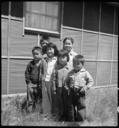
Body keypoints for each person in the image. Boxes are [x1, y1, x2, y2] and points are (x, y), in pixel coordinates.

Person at [64, 54, 94, 122]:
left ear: (82, 64)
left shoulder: (85, 73)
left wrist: (86, 87)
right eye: (74, 63)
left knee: (81, 107)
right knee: (71, 107)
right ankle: (72, 120)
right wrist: (67, 88)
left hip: (80, 92)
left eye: (78, 64)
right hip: (71, 92)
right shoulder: (70, 73)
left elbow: (91, 81)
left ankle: (81, 121)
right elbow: (66, 82)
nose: (75, 65)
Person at [42, 42, 59, 120]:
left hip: (54, 81)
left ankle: (55, 114)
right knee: (46, 99)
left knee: (54, 98)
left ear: (54, 50)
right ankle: (46, 114)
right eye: (48, 49)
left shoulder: (57, 59)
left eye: (51, 49)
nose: (49, 51)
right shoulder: (44, 59)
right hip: (46, 81)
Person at [52, 49, 70, 121]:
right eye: (60, 57)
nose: (62, 59)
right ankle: (61, 115)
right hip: (59, 88)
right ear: (58, 59)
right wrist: (54, 87)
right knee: (60, 102)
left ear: (67, 58)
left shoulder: (69, 69)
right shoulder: (56, 69)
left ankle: (67, 115)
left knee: (67, 101)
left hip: (67, 89)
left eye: (64, 57)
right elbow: (53, 79)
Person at [25, 46, 43, 112]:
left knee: (39, 98)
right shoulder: (30, 64)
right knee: (30, 99)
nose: (35, 56)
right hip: (31, 84)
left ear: (41, 54)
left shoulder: (43, 64)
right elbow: (27, 73)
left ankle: (37, 111)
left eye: (37, 54)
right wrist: (28, 82)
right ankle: (29, 112)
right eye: (34, 54)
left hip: (40, 85)